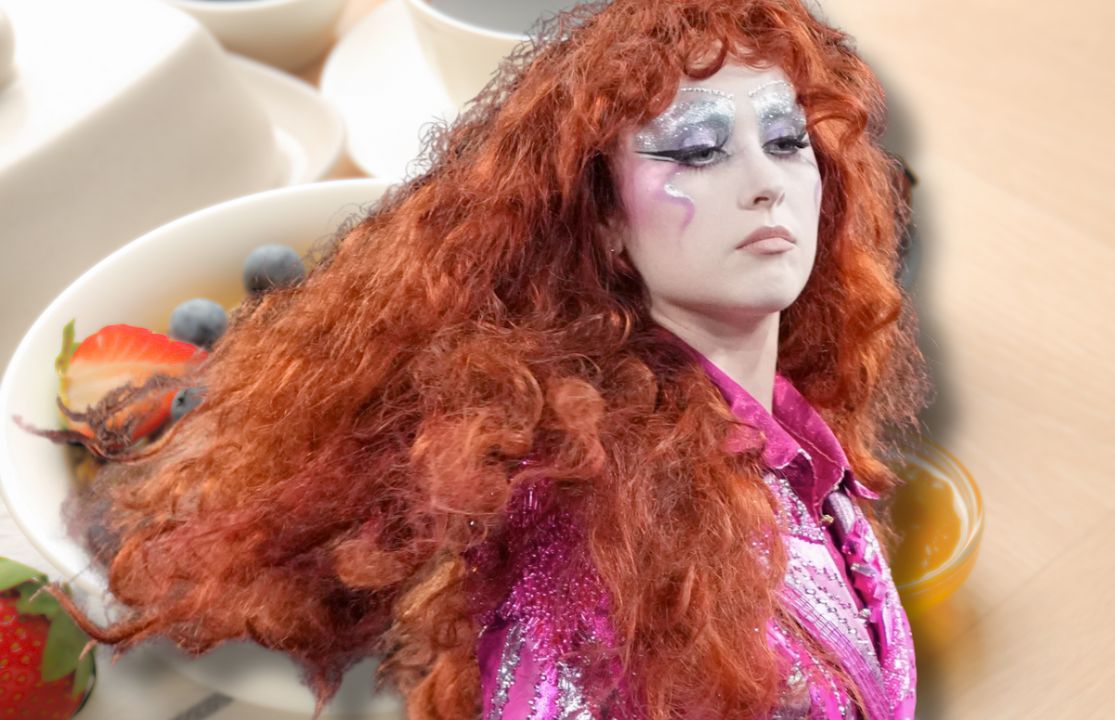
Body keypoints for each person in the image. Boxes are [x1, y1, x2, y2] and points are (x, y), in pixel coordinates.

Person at [54, 1, 932, 718]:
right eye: (697, 151)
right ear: (606, 223)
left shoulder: (795, 449)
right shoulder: (603, 558)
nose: (766, 181)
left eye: (786, 141)